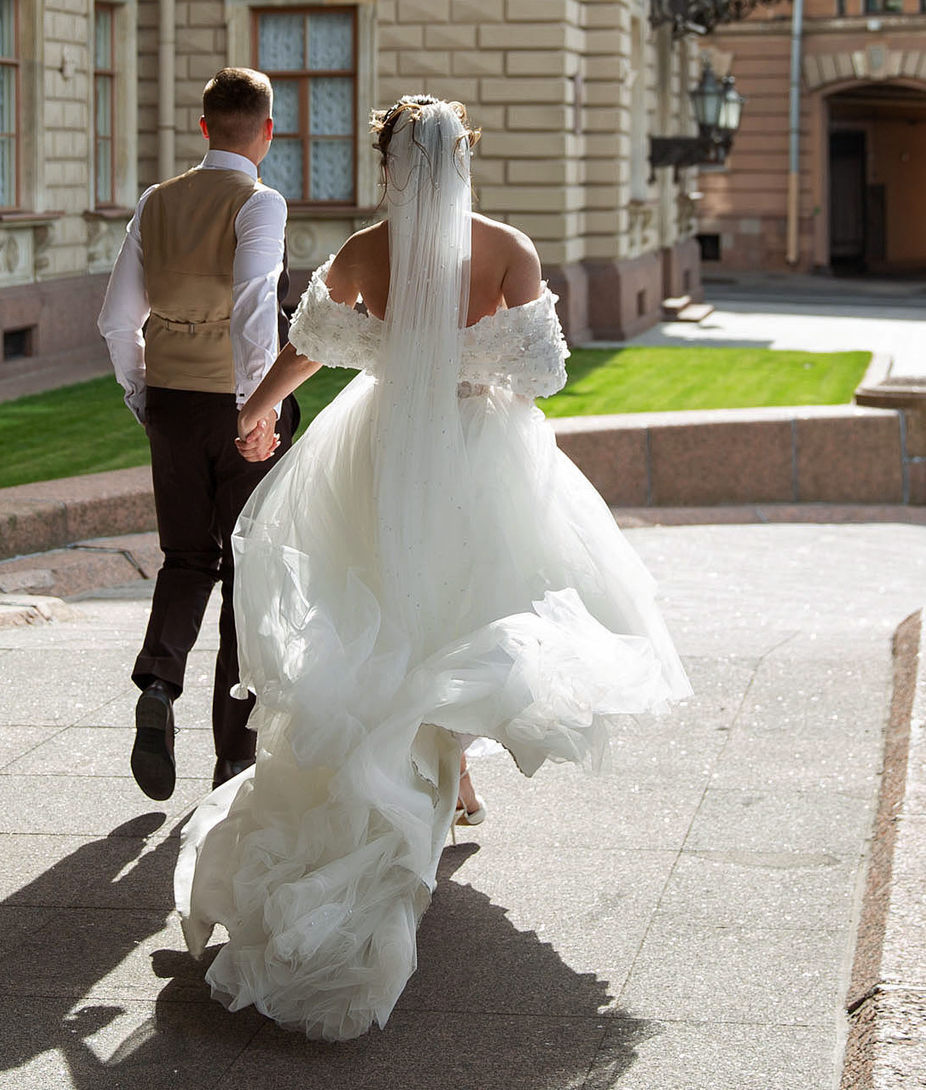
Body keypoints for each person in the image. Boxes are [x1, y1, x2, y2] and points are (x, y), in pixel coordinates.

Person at [172, 95, 692, 1041]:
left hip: (381, 449)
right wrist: (469, 362)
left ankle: (442, 774)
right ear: (464, 161)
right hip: (477, 453)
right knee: (463, 611)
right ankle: (450, 775)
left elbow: (311, 345)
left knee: (391, 610)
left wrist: (254, 409)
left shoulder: (367, 249)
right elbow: (541, 372)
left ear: (388, 166)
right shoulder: (507, 249)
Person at [96, 67, 300, 800]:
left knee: (186, 557)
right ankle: (232, 756)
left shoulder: (158, 201)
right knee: (247, 571)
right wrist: (256, 410)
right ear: (267, 132)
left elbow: (117, 319)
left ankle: (158, 683)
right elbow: (254, 306)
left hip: (173, 402)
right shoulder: (261, 201)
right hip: (233, 403)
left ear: (204, 125)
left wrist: (141, 392)